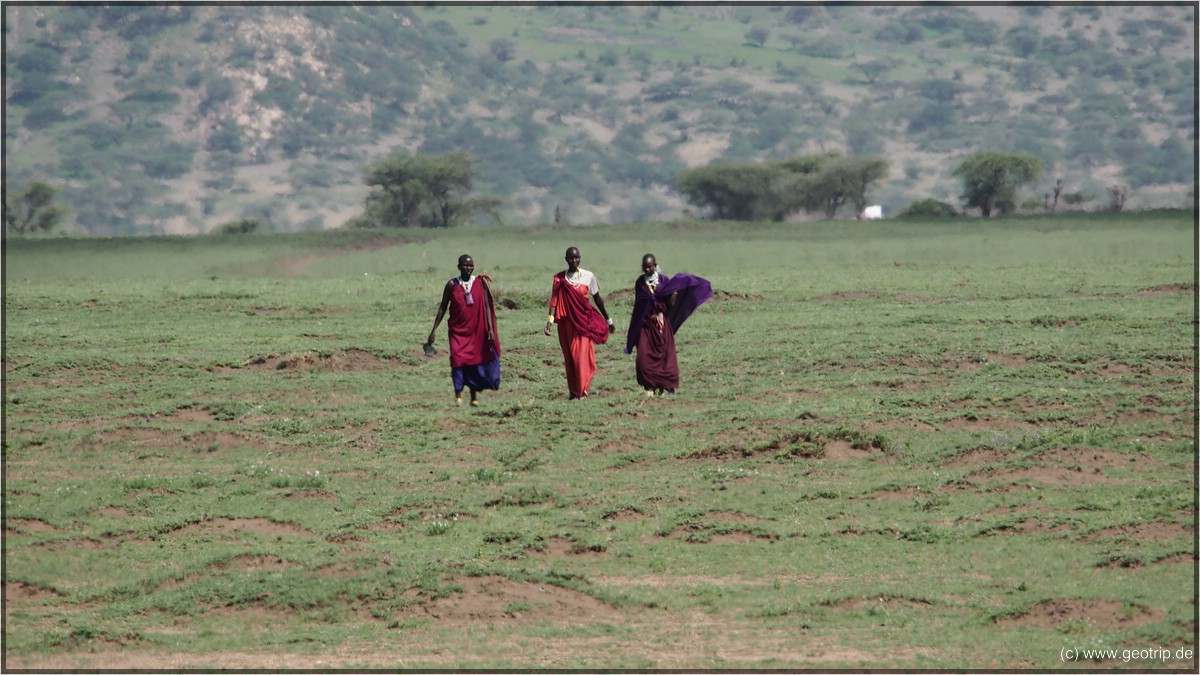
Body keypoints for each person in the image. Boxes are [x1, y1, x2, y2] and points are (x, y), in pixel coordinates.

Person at [624, 253, 712, 396]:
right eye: (645, 268)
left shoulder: (664, 280)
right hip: (646, 325)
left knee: (664, 355)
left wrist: (674, 292)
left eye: (650, 267)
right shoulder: (640, 282)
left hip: (662, 324)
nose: (647, 270)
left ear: (655, 265)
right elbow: (639, 305)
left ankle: (664, 386)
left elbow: (670, 303)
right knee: (643, 357)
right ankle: (649, 386)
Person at [426, 254, 501, 406]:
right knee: (457, 360)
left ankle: (473, 397)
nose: (468, 268)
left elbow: (487, 306)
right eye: (465, 265)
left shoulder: (480, 283)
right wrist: (433, 330)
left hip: (476, 331)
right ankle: (458, 395)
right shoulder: (452, 284)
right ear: (459, 267)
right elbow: (442, 307)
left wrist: (491, 329)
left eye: (471, 265)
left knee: (473, 362)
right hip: (457, 331)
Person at [544, 246, 614, 399]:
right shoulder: (559, 279)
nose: (574, 260)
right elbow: (554, 302)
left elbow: (597, 299)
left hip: (583, 323)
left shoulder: (589, 276)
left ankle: (583, 391)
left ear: (580, 258)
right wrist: (549, 322)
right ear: (566, 259)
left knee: (581, 356)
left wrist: (608, 319)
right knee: (570, 357)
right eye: (571, 258)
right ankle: (574, 391)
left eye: (577, 257)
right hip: (566, 325)